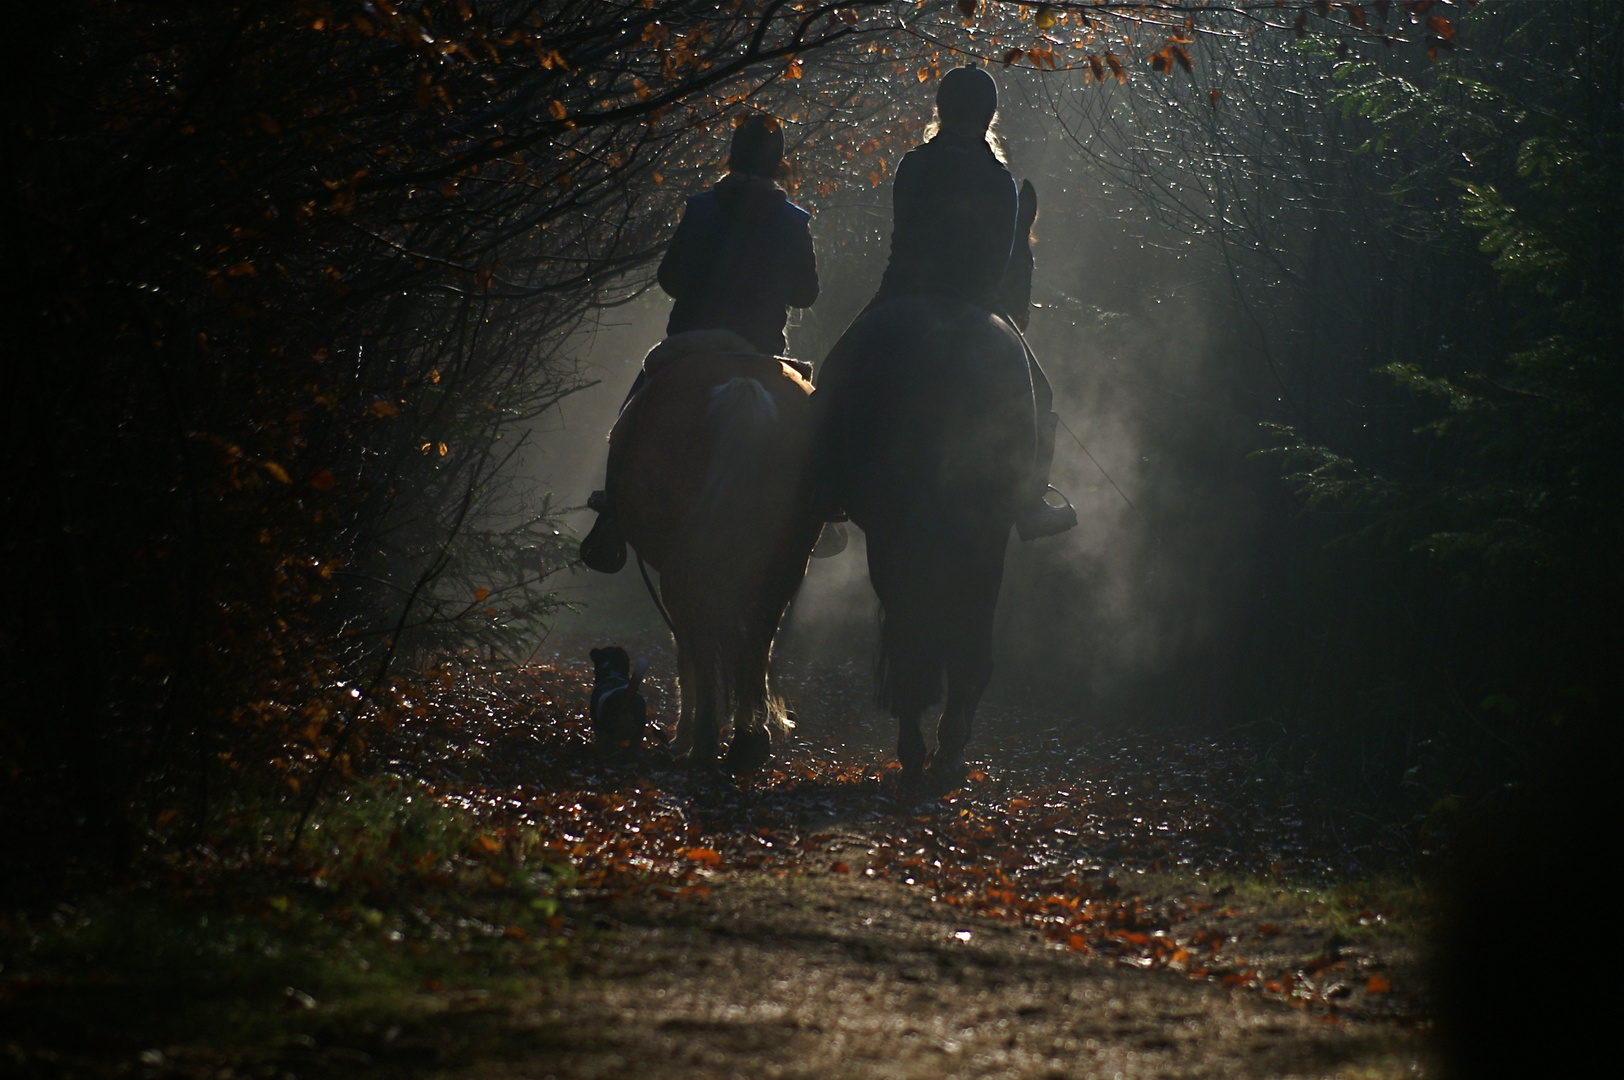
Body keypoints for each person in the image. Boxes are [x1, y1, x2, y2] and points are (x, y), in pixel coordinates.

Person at [580, 115, 820, 573]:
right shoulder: (793, 220)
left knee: (634, 407)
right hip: (760, 349)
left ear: (733, 153)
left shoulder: (701, 207)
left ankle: (611, 509)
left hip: (691, 343)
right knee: (812, 423)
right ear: (778, 164)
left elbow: (670, 279)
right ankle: (821, 502)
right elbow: (806, 294)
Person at [869, 65, 1076, 541]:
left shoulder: (913, 164)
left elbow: (905, 239)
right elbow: (1000, 261)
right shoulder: (1000, 180)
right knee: (1039, 395)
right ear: (989, 117)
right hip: (975, 304)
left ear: (941, 110)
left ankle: (823, 488)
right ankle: (1030, 504)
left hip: (902, 294)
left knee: (838, 370)